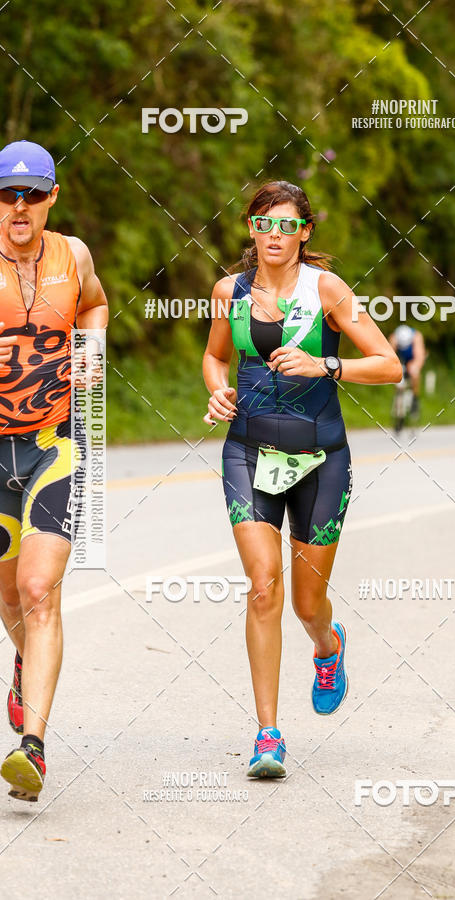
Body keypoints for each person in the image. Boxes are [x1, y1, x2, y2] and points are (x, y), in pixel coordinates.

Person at [202, 181, 402, 778]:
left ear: (305, 232)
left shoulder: (328, 290)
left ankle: (327, 646)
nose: (275, 235)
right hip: (248, 453)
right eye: (264, 223)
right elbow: (215, 357)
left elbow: (389, 365)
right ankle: (268, 734)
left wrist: (326, 364)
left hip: (322, 459)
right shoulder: (229, 292)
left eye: (287, 225)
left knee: (306, 603)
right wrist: (218, 391)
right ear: (251, 228)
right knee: (263, 586)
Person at [0, 140, 108, 801]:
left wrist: (90, 351)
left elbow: (94, 304)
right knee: (10, 598)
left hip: (54, 442)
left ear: (52, 198)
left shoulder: (74, 256)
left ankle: (32, 748)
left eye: (32, 194)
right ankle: (23, 662)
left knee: (38, 589)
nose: (20, 206)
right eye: (8, 194)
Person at [388, 324, 426, 416]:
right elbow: (389, 357)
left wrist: (415, 367)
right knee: (396, 378)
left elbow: (419, 358)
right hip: (400, 359)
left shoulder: (417, 337)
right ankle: (398, 407)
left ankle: (415, 398)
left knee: (414, 372)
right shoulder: (393, 338)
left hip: (412, 358)